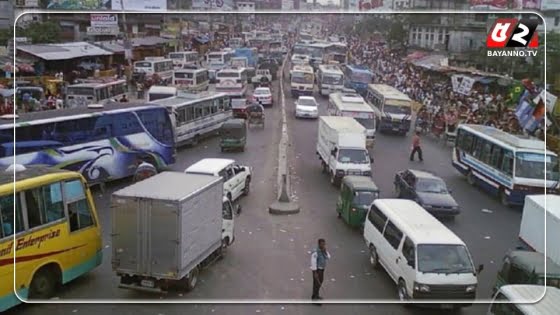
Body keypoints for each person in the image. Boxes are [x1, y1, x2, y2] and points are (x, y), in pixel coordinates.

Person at [310, 238, 331, 304]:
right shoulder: (315, 252)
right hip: (317, 270)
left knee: (319, 283)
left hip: (322, 269)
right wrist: (315, 273)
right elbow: (313, 262)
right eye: (322, 244)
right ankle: (314, 299)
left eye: (324, 244)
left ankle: (315, 295)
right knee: (317, 284)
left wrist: (324, 251)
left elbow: (328, 257)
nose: (323, 245)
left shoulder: (323, 250)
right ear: (319, 244)